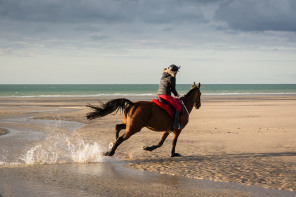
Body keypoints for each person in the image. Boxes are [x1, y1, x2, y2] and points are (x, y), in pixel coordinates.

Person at [157, 64, 182, 129]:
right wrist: (177, 95)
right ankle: (175, 124)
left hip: (159, 95)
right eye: (176, 71)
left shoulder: (163, 76)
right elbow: (173, 89)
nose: (176, 73)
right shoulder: (172, 77)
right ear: (174, 71)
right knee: (178, 107)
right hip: (166, 95)